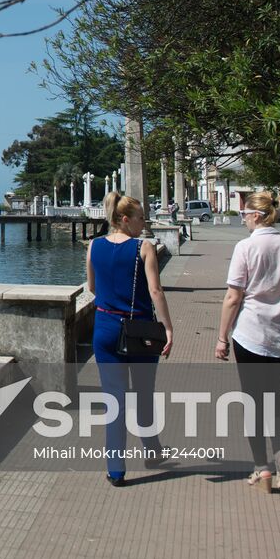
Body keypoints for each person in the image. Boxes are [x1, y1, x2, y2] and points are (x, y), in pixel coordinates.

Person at [214, 190, 280, 491]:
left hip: (251, 336)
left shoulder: (246, 248)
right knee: (274, 398)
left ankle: (262, 469)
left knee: (254, 402)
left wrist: (222, 338)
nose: (243, 218)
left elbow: (233, 297)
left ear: (256, 216)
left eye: (245, 214)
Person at [87, 193, 174, 487]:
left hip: (105, 327)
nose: (144, 223)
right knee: (144, 392)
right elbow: (156, 291)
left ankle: (116, 469)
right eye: (140, 218)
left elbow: (92, 286)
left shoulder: (94, 246)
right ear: (125, 220)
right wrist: (168, 328)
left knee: (115, 399)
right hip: (138, 331)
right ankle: (151, 450)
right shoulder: (143, 247)